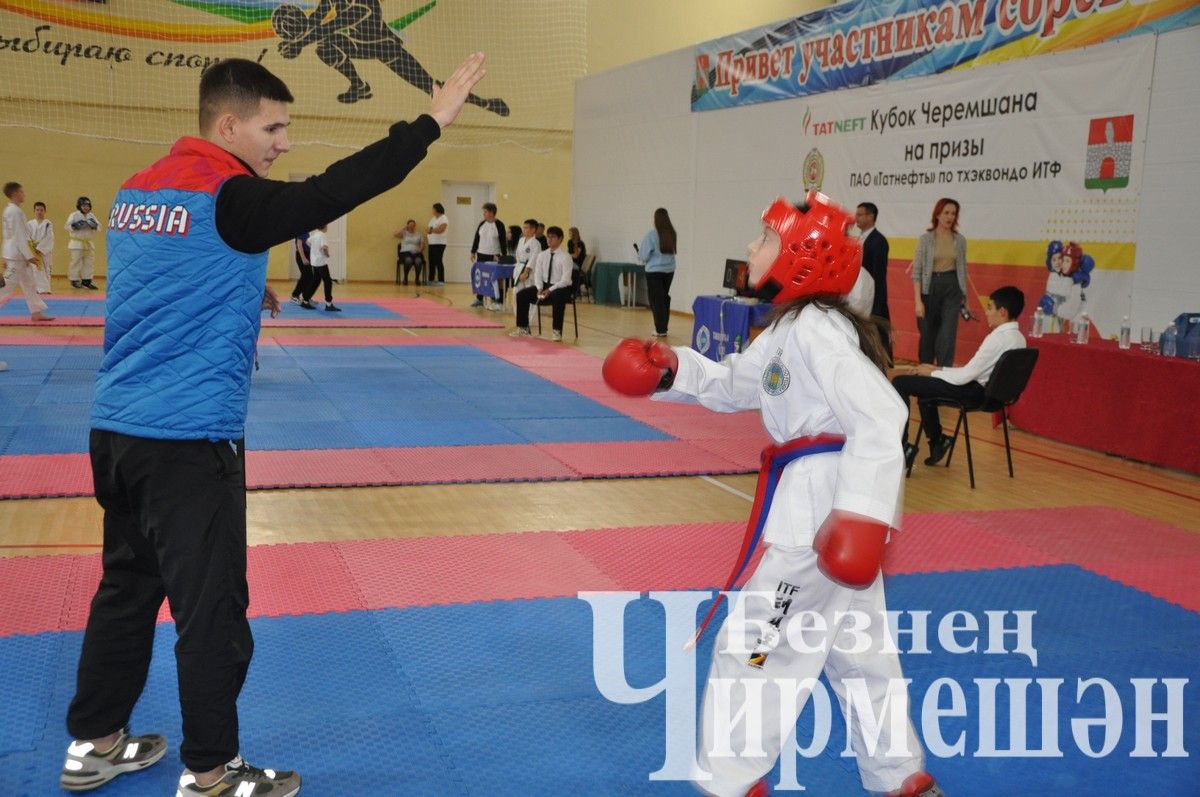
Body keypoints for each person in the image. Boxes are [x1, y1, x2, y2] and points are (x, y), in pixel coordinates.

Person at [60, 53, 489, 797]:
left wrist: (235, 296)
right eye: (274, 126)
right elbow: (337, 189)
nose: (283, 142)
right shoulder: (235, 198)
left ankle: (94, 742)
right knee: (213, 609)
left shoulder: (136, 191)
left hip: (117, 431)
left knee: (126, 589)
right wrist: (431, 123)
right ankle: (212, 770)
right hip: (190, 439)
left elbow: (163, 278)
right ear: (228, 125)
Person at [601, 193, 943, 797]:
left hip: (823, 512)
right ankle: (900, 776)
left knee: (753, 649)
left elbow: (883, 411)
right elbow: (737, 383)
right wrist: (672, 370)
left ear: (801, 259)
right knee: (856, 650)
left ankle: (730, 782)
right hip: (824, 504)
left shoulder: (818, 330)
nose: (752, 248)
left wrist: (861, 517)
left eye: (764, 238)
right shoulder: (794, 327)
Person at [892, 286, 1026, 468]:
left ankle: (903, 448)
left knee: (900, 383)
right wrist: (937, 368)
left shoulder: (997, 339)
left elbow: (965, 376)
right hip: (993, 398)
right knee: (925, 390)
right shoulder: (1019, 339)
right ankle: (937, 442)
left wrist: (932, 372)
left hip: (973, 394)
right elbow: (972, 372)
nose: (986, 312)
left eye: (990, 308)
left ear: (1002, 312)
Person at [911, 198, 967, 366]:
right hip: (930, 288)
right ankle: (924, 374)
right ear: (937, 214)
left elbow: (963, 269)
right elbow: (917, 272)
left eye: (953, 213)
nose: (950, 217)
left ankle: (944, 375)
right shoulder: (925, 239)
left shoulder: (960, 240)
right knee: (928, 335)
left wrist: (966, 298)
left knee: (948, 335)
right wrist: (918, 302)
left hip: (952, 288)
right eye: (946, 213)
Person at [1, 182, 54, 321]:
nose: (23, 194)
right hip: (17, 255)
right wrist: (29, 255)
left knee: (30, 283)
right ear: (15, 194)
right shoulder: (15, 212)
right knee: (8, 284)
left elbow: (8, 236)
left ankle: (36, 312)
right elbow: (18, 237)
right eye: (21, 192)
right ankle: (36, 312)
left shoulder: (9, 210)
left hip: (16, 254)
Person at [511, 226, 571, 341]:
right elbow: (538, 274)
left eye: (553, 237)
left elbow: (566, 280)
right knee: (522, 295)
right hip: (543, 286)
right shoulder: (542, 255)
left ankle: (557, 331)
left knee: (558, 296)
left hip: (560, 287)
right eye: (548, 237)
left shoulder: (565, 257)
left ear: (560, 239)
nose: (549, 239)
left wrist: (550, 290)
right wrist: (539, 288)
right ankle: (523, 327)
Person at [856, 202, 891, 361]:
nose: (856, 218)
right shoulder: (859, 239)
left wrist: (877, 299)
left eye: (860, 215)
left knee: (878, 329)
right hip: (860, 294)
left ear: (871, 217)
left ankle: (885, 361)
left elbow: (878, 274)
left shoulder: (878, 241)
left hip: (873, 294)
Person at [638, 207, 677, 337]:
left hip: (654, 272)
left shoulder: (651, 235)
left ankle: (660, 328)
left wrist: (641, 255)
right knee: (664, 298)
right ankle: (663, 327)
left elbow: (643, 256)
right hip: (669, 271)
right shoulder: (672, 233)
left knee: (656, 300)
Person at [469, 201, 506, 309]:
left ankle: (497, 301)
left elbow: (503, 241)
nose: (483, 214)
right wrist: (473, 251)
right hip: (481, 254)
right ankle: (479, 299)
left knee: (495, 278)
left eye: (485, 212)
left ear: (491, 212)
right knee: (480, 277)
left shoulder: (499, 225)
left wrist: (503, 256)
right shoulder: (482, 224)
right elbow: (477, 238)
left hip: (494, 255)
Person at [65, 196, 101, 290]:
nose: (86, 207)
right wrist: (75, 226)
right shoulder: (74, 215)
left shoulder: (91, 216)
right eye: (84, 205)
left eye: (88, 206)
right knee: (76, 262)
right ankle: (75, 280)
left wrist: (94, 225)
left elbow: (99, 227)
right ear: (79, 206)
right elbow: (66, 226)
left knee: (89, 262)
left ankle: (87, 280)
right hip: (76, 243)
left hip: (88, 243)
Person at [302, 223, 340, 311]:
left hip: (314, 262)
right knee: (328, 282)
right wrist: (327, 254)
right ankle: (328, 304)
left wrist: (314, 249)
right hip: (321, 262)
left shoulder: (315, 234)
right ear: (325, 227)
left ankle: (305, 301)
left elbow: (307, 241)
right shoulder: (323, 235)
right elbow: (324, 247)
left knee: (316, 281)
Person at [27, 200, 55, 294]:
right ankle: (37, 289)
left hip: (44, 251)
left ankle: (46, 289)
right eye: (37, 210)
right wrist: (32, 247)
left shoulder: (48, 223)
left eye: (41, 210)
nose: (39, 212)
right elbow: (27, 236)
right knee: (34, 269)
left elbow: (49, 238)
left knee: (46, 268)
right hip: (33, 250)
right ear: (34, 211)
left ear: (45, 211)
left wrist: (40, 248)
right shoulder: (30, 224)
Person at [394, 218, 425, 285]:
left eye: (413, 225)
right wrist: (404, 228)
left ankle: (417, 279)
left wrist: (420, 250)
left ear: (415, 226)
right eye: (410, 225)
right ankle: (405, 278)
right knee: (408, 260)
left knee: (418, 261)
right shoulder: (404, 233)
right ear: (407, 225)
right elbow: (395, 234)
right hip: (405, 252)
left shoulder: (419, 234)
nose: (412, 226)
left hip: (416, 252)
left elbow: (422, 244)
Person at [425, 202, 448, 285]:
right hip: (432, 243)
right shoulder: (433, 218)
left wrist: (431, 230)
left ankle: (441, 280)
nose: (432, 210)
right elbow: (429, 228)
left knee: (438, 261)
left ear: (437, 209)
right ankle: (431, 280)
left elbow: (441, 230)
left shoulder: (443, 218)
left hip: (439, 243)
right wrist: (429, 230)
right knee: (431, 261)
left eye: (433, 209)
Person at [289, 231, 312, 304]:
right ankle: (294, 295)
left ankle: (306, 297)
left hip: (307, 254)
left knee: (309, 276)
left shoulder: (307, 231)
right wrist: (303, 258)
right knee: (306, 275)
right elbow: (299, 245)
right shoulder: (302, 230)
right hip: (302, 255)